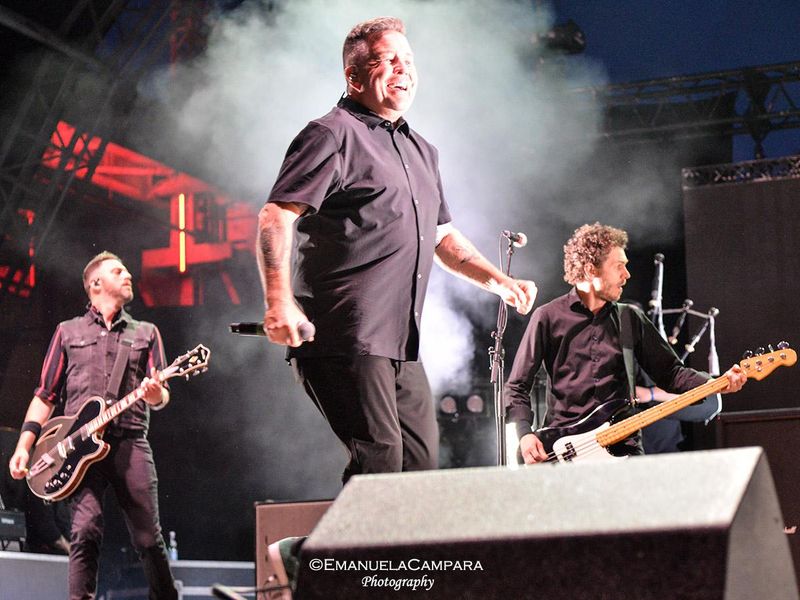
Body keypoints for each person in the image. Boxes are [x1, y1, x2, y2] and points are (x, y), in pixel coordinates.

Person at [257, 16, 536, 484]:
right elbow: (275, 217)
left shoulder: (422, 151)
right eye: (388, 60)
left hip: (401, 343)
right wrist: (278, 301)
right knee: (380, 464)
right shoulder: (331, 134)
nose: (404, 69)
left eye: (409, 60)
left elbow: (442, 237)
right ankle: (342, 537)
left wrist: (499, 282)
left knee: (419, 470)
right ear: (354, 77)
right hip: (345, 335)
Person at [7, 251, 177, 600]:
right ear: (96, 283)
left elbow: (161, 397)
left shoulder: (146, 333)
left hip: (130, 441)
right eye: (119, 271)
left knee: (148, 538)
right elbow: (45, 395)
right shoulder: (67, 331)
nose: (128, 275)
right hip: (79, 450)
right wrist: (24, 445)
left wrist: (156, 394)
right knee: (85, 532)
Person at [505, 223, 746, 464]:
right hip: (565, 450)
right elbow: (517, 386)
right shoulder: (547, 317)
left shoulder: (629, 318)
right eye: (619, 266)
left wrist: (714, 384)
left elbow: (671, 373)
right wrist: (524, 434)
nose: (627, 275)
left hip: (623, 448)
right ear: (590, 269)